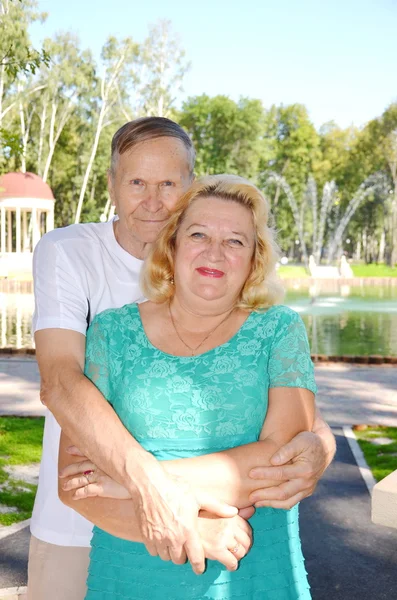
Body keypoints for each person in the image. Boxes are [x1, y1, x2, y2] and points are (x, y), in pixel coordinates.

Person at [29, 117, 335, 599]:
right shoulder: (93, 298)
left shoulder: (274, 328)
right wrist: (180, 518)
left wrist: (128, 483)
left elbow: (283, 440)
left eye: (168, 184)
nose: (152, 201)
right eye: (136, 182)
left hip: (245, 568)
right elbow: (61, 386)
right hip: (101, 543)